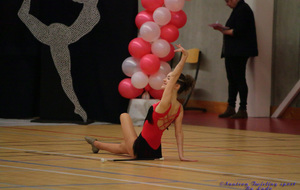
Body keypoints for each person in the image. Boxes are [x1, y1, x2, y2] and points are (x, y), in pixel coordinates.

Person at [85, 44, 197, 161]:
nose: (164, 79)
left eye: (168, 79)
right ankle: (96, 144)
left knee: (124, 116)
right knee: (123, 147)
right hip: (154, 152)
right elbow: (178, 133)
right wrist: (181, 156)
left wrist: (184, 57)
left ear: (176, 86)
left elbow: (175, 75)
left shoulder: (165, 103)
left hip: (140, 149)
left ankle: (98, 144)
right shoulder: (179, 108)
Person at [211, 0, 258, 118]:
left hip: (239, 51)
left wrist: (222, 30)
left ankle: (242, 108)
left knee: (239, 79)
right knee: (232, 80)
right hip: (232, 51)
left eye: (228, 1)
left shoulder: (243, 9)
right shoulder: (237, 10)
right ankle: (231, 107)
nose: (227, 4)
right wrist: (223, 29)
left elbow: (238, 31)